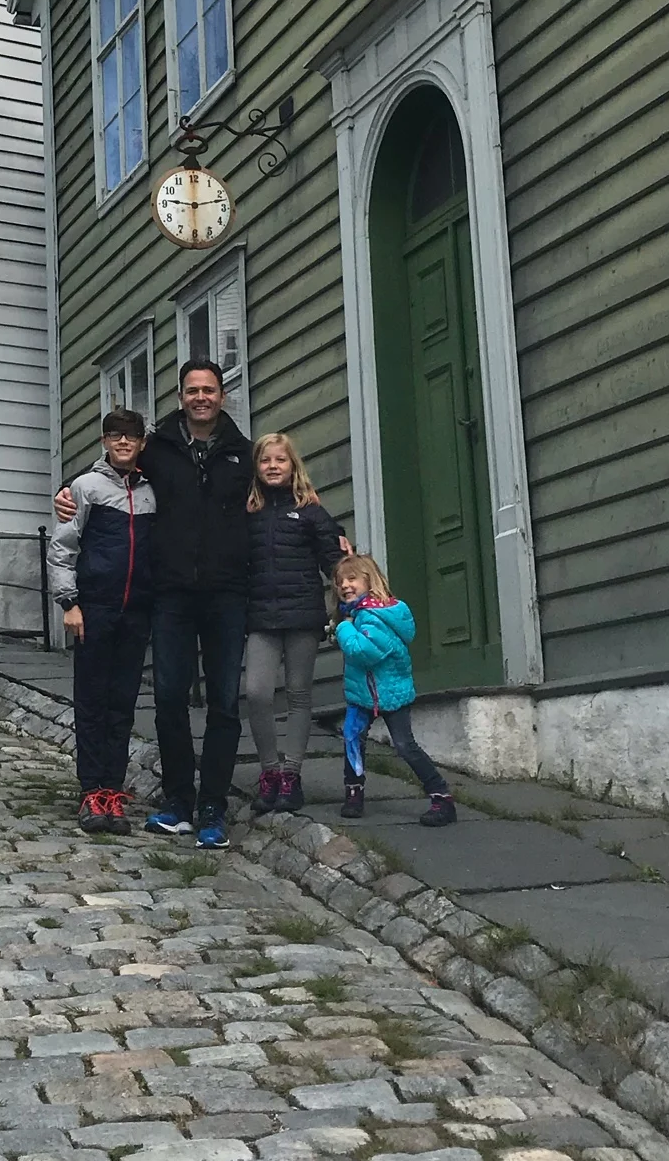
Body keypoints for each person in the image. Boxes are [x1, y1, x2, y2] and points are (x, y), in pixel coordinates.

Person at [61, 358, 252, 850]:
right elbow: (111, 472)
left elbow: (284, 492)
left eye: (209, 389)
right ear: (182, 396)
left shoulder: (242, 454)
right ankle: (177, 802)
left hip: (227, 594)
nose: (201, 397)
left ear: (222, 396)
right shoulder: (160, 448)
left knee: (225, 703)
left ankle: (213, 806)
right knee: (168, 698)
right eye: (192, 390)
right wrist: (66, 494)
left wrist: (330, 539)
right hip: (169, 595)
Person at [47, 408, 158, 836]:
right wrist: (69, 602)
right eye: (115, 436)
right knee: (92, 701)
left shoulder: (153, 491)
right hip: (95, 608)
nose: (123, 443)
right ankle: (91, 790)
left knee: (122, 703)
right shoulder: (86, 487)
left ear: (141, 442)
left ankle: (113, 789)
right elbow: (63, 548)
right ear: (105, 442)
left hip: (137, 611)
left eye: (130, 437)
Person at [245, 432, 346, 818]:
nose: (273, 466)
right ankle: (269, 772)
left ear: (293, 466)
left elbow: (335, 561)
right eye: (266, 460)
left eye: (280, 460)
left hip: (303, 614)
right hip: (261, 615)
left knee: (299, 694)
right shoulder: (247, 513)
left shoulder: (311, 512)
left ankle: (291, 775)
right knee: (256, 693)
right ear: (257, 467)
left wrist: (351, 601)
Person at [333, 551, 457, 826]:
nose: (344, 586)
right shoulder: (358, 615)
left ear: (370, 580)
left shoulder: (377, 616)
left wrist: (342, 628)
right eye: (339, 582)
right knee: (352, 738)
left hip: (392, 692)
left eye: (351, 578)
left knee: (404, 745)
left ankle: (442, 797)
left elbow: (363, 651)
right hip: (361, 694)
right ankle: (354, 792)